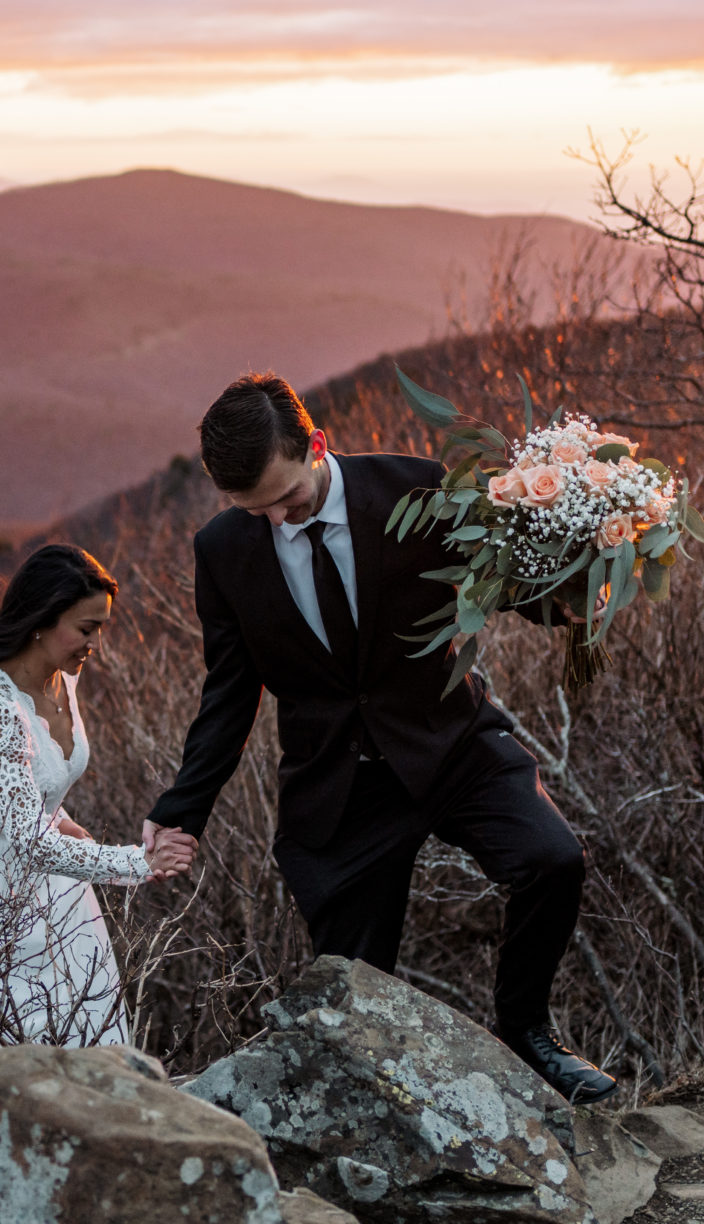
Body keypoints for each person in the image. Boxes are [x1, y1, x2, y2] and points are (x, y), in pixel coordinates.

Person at [143, 373, 616, 1103]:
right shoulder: (223, 551)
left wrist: (581, 583)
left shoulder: (419, 489)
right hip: (338, 786)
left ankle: (528, 1034)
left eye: (288, 499)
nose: (277, 519)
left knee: (551, 861)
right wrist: (183, 809)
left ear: (318, 447)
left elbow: (511, 587)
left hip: (449, 741)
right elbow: (230, 693)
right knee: (351, 995)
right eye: (254, 508)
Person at [0, 544, 195, 1192]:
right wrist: (134, 863)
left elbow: (38, 794)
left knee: (78, 1041)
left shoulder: (63, 676)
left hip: (52, 885)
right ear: (42, 621)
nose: (94, 644)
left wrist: (66, 817)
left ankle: (79, 1193)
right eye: (87, 628)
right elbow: (22, 837)